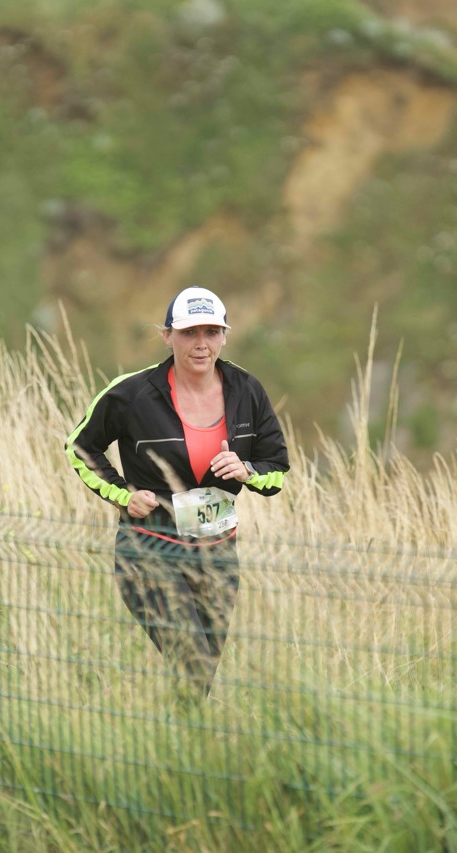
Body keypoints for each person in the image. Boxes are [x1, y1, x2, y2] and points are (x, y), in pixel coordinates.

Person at [64, 286, 289, 699]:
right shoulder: (133, 393)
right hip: (150, 551)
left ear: (225, 336)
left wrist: (248, 470)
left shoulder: (247, 390)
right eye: (189, 333)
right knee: (192, 661)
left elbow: (276, 470)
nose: (201, 344)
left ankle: (176, 733)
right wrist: (123, 495)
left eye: (211, 332)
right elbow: (79, 447)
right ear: (167, 336)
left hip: (218, 555)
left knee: (200, 677)